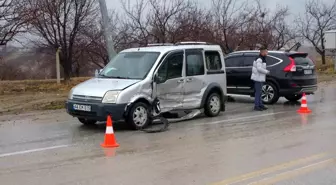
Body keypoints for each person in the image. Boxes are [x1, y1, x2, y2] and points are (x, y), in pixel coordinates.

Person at [251, 46, 270, 111]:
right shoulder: (259, 59)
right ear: (262, 52)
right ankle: (256, 106)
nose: (267, 53)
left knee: (260, 92)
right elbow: (259, 69)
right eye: (266, 51)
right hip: (258, 78)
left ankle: (260, 104)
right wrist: (266, 72)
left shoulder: (262, 58)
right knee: (258, 93)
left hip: (260, 77)